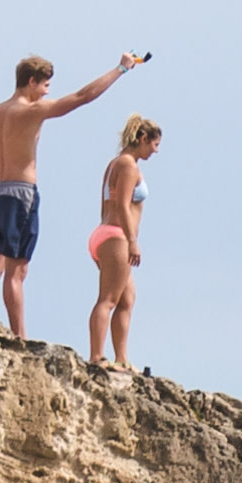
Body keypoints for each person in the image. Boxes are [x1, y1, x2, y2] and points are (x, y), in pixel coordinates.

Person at [0, 50, 140, 338]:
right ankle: (19, 338)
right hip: (22, 194)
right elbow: (82, 97)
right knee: (17, 272)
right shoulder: (30, 111)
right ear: (31, 81)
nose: (46, 92)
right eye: (45, 85)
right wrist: (121, 69)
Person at [84, 115, 162, 372]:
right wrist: (131, 241)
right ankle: (97, 357)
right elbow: (122, 205)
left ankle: (122, 358)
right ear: (143, 138)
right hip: (117, 236)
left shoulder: (114, 164)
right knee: (108, 299)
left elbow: (106, 202)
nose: (155, 151)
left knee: (126, 299)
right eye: (154, 145)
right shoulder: (128, 166)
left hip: (105, 234)